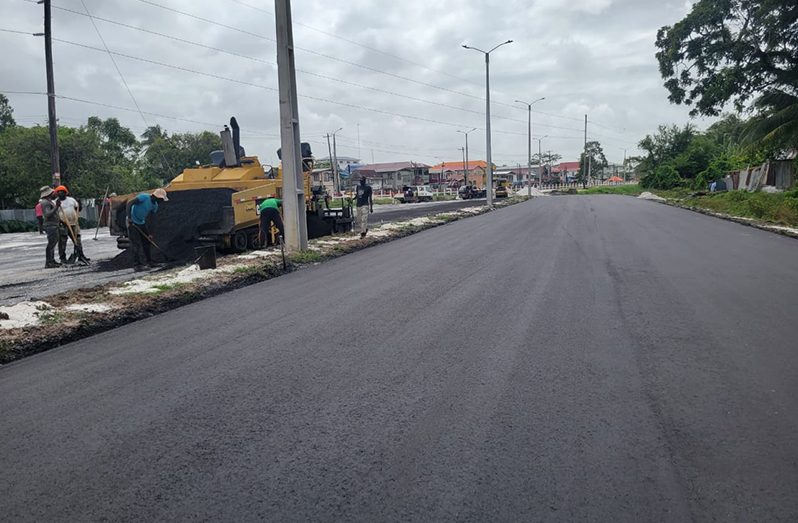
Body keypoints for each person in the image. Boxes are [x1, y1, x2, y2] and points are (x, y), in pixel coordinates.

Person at [126, 188, 169, 271]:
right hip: (131, 221)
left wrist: (150, 233)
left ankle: (149, 262)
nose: (161, 202)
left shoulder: (155, 205)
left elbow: (152, 220)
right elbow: (129, 203)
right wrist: (129, 218)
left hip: (141, 222)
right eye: (161, 199)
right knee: (135, 243)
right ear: (157, 197)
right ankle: (137, 265)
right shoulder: (144, 197)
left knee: (147, 242)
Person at [53, 185, 89, 265]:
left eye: (62, 192)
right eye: (58, 192)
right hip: (63, 224)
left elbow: (77, 208)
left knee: (77, 240)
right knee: (62, 241)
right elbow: (54, 214)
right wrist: (60, 220)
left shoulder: (71, 200)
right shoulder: (55, 202)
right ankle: (62, 258)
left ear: (66, 193)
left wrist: (79, 204)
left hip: (74, 223)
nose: (60, 193)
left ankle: (81, 255)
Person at [39, 186, 61, 268]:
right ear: (49, 194)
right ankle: (48, 262)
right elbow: (47, 214)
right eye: (53, 193)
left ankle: (52, 260)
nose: (55, 194)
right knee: (51, 244)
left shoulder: (49, 201)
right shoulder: (45, 202)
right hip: (51, 226)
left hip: (54, 225)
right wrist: (57, 207)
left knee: (53, 243)